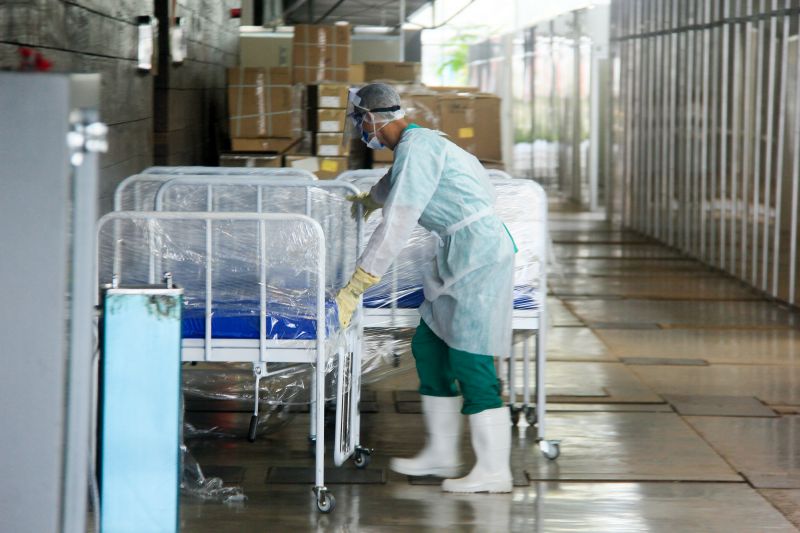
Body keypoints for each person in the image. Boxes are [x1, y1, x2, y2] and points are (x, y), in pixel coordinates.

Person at [335, 83, 516, 494]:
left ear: (370, 118)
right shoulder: (414, 146)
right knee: (430, 346)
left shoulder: (419, 148)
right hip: (458, 252)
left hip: (479, 255)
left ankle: (494, 471)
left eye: (359, 120)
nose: (359, 129)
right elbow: (394, 185)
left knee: (471, 357)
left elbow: (399, 220)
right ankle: (442, 452)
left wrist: (358, 283)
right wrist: (370, 199)